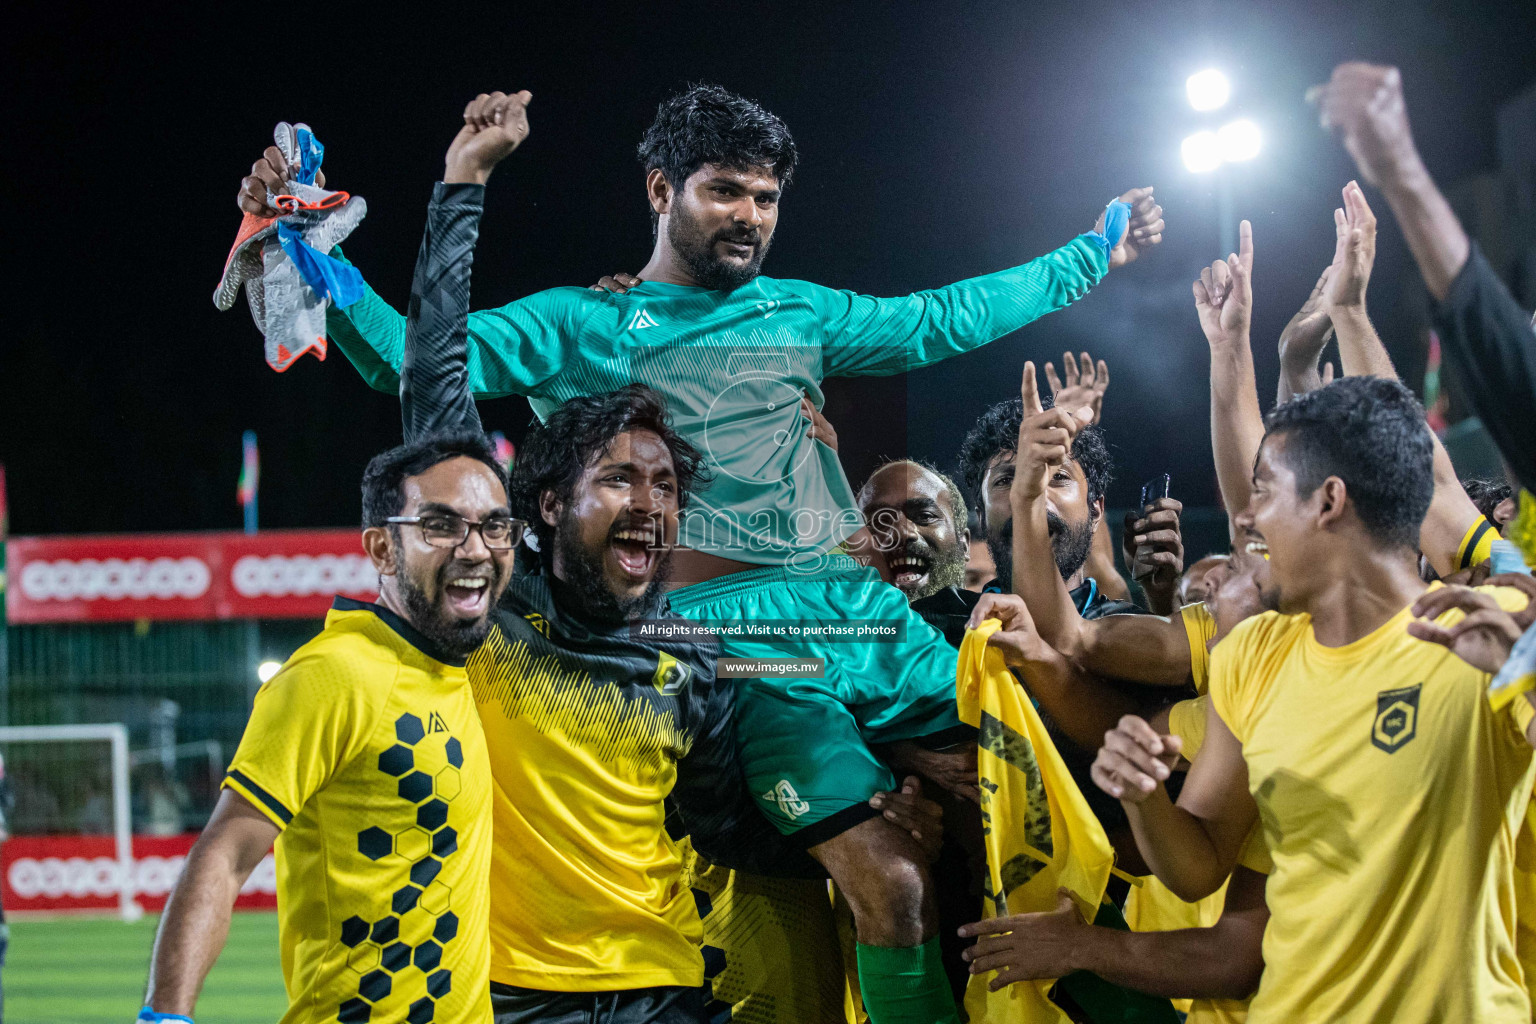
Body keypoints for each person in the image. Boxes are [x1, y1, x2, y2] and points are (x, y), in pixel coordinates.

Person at [238, 84, 1165, 1023]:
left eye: (765, 200)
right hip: (731, 645)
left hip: (859, 614)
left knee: (1068, 781)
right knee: (889, 886)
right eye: (725, 191)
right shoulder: (580, 325)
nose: (750, 218)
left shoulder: (800, 310)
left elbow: (943, 316)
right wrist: (324, 266)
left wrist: (1092, 255)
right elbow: (420, 364)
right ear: (660, 191)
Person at [388, 106, 943, 1022]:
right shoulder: (503, 617)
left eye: (663, 485)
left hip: (674, 990)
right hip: (527, 998)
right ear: (549, 501)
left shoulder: (697, 656)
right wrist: (462, 189)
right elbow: (432, 385)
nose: (647, 501)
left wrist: (898, 779)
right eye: (616, 478)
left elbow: (769, 740)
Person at [1091, 376, 1536, 1024]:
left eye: (1264, 488)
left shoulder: (1492, 628)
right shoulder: (1252, 656)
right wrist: (1145, 798)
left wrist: (1524, 672)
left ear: (1328, 501)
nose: (1245, 516)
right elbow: (1200, 865)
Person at [140, 431, 517, 1024]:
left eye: (495, 527)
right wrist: (166, 1017)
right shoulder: (333, 674)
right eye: (441, 526)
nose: (475, 549)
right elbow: (225, 855)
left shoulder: (456, 663)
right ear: (383, 550)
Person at [1307, 62, 1536, 494]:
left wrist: (1402, 172)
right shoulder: (1515, 549)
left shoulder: (1501, 547)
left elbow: (1429, 482)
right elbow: (1426, 479)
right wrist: (1345, 313)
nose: (1249, 515)